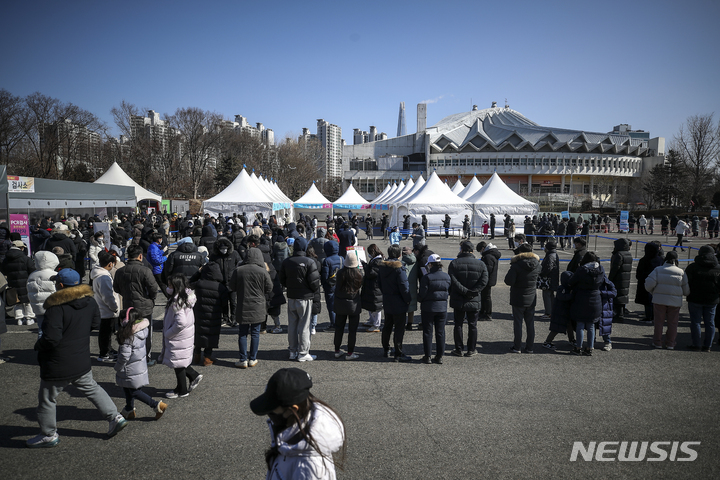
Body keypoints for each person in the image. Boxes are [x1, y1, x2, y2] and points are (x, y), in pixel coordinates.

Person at [26, 268, 128, 448]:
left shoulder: (56, 308)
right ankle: (115, 416)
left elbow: (51, 338)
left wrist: (38, 346)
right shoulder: (89, 301)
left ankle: (48, 434)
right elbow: (95, 324)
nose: (55, 284)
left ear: (61, 285)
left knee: (47, 398)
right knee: (92, 388)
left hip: (58, 362)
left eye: (56, 281)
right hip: (80, 358)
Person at [250, 368, 346, 479]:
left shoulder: (310, 468)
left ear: (293, 410)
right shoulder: (292, 439)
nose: (269, 415)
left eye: (272, 410)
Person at [115, 307, 167, 420]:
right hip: (138, 367)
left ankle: (156, 405)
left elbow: (124, 356)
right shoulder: (141, 331)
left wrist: (117, 366)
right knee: (127, 387)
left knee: (134, 391)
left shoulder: (128, 336)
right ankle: (129, 409)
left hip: (129, 369)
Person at [114, 245, 158, 365]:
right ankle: (146, 358)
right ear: (140, 256)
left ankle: (126, 355)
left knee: (128, 331)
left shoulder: (120, 271)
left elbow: (116, 288)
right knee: (145, 333)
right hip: (144, 307)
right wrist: (150, 298)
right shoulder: (145, 271)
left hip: (128, 305)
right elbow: (154, 288)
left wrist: (125, 293)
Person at [159, 274, 202, 398]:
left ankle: (182, 390)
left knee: (178, 364)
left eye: (170, 285)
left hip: (178, 338)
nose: (168, 287)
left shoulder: (176, 301)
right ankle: (188, 380)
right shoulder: (187, 296)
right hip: (185, 336)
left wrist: (168, 333)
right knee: (180, 362)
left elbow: (181, 322)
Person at [279, 237, 321, 362]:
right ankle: (303, 353)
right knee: (304, 326)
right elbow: (314, 283)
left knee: (292, 325)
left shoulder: (287, 262)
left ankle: (292, 351)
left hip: (292, 296)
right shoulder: (309, 262)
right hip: (305, 297)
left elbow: (282, 280)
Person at [231, 248, 273, 368]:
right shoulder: (263, 271)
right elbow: (269, 288)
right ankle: (252, 359)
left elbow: (232, 287)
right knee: (255, 333)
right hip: (258, 306)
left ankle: (243, 359)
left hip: (242, 304)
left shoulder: (239, 270)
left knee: (242, 333)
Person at [449, 240, 488, 356]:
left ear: (461, 250)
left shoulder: (454, 263)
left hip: (458, 297)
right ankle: (471, 349)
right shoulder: (481, 264)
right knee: (473, 325)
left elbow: (453, 280)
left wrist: (464, 291)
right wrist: (473, 291)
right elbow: (484, 281)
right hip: (474, 297)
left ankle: (459, 349)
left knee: (458, 324)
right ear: (473, 251)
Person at [645, 251, 689, 350]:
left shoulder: (658, 270)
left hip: (659, 300)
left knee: (658, 322)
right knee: (673, 323)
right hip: (675, 301)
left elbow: (648, 285)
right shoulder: (681, 272)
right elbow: (686, 291)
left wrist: (654, 292)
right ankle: (670, 343)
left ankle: (657, 342)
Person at [504, 243, 541, 353]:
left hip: (518, 296)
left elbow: (508, 281)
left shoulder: (516, 265)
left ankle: (517, 346)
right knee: (530, 323)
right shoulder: (538, 265)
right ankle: (530, 347)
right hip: (531, 296)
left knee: (518, 323)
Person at [190, 262, 229, 366]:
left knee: (198, 333)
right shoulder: (221, 287)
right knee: (211, 335)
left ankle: (196, 355)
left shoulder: (198, 284)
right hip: (214, 315)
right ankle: (207, 357)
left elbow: (188, 283)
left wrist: (198, 273)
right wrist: (226, 315)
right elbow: (225, 303)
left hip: (198, 313)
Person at [378, 244, 412, 362]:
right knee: (399, 328)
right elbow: (404, 286)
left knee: (387, 325)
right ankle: (398, 352)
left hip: (387, 299)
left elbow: (379, 283)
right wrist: (408, 299)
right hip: (398, 301)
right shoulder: (399, 268)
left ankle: (386, 348)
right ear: (399, 255)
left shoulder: (382, 267)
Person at [684, 245, 720, 351]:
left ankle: (696, 344)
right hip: (712, 299)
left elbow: (686, 282)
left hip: (695, 298)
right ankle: (708, 345)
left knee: (695, 322)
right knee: (710, 322)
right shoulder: (718, 268)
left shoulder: (693, 267)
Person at [568, 252, 605, 356]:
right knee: (591, 325)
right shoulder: (601, 269)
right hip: (596, 298)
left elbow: (571, 281)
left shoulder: (581, 270)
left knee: (580, 324)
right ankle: (590, 347)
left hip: (582, 298)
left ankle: (578, 347)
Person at [418, 254, 451, 364]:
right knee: (440, 332)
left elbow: (422, 294)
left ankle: (427, 356)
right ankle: (439, 356)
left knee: (428, 332)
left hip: (428, 308)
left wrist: (419, 299)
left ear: (430, 264)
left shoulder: (427, 277)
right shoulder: (447, 276)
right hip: (442, 308)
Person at [333, 249, 364, 360]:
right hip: (354, 304)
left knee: (339, 328)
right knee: (352, 330)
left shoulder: (340, 273)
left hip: (340, 303)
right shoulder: (359, 274)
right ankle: (350, 353)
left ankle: (337, 350)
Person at [91, 251, 121, 362]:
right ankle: (104, 353)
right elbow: (107, 295)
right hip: (106, 310)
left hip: (103, 308)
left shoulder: (98, 274)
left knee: (106, 333)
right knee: (105, 333)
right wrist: (114, 307)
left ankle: (108, 349)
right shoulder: (103, 277)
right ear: (110, 264)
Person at [209, 236, 241, 326]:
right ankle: (225, 318)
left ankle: (234, 318)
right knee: (223, 302)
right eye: (222, 249)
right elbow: (211, 267)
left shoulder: (234, 254)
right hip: (220, 283)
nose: (224, 250)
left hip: (232, 282)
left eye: (225, 249)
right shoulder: (214, 256)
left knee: (233, 301)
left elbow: (239, 264)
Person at [2, 240, 35, 325]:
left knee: (17, 302)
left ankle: (19, 319)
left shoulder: (6, 259)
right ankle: (29, 318)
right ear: (20, 248)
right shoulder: (25, 258)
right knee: (27, 302)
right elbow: (32, 269)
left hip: (12, 282)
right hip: (25, 282)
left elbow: (3, 270)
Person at [27, 251, 60, 335]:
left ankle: (40, 347)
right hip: (53, 307)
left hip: (37, 307)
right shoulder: (55, 275)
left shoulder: (32, 275)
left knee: (41, 330)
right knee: (54, 330)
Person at [542, 271, 576, 350]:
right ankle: (547, 342)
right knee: (556, 328)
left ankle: (572, 339)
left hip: (566, 312)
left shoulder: (569, 288)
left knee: (569, 326)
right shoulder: (562, 288)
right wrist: (571, 295)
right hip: (559, 312)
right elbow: (562, 297)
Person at [635, 241, 664, 324]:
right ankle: (654, 316)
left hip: (645, 282)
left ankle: (649, 317)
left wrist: (640, 278)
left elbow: (639, 273)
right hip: (658, 283)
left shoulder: (644, 260)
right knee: (655, 300)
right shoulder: (660, 259)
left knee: (647, 301)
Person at [360, 244, 384, 333]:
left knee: (376, 307)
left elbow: (371, 273)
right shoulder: (376, 260)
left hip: (375, 287)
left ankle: (376, 324)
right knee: (371, 304)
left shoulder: (378, 261)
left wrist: (365, 265)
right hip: (371, 286)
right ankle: (371, 321)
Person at [608, 238, 632, 323]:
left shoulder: (619, 255)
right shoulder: (628, 254)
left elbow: (615, 268)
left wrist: (609, 279)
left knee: (617, 296)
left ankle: (618, 315)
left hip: (618, 278)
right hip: (625, 278)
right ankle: (621, 314)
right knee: (622, 296)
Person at [321, 241, 342, 333]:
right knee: (340, 305)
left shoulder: (327, 260)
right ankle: (340, 322)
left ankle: (333, 324)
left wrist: (324, 284)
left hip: (330, 285)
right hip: (341, 285)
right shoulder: (342, 258)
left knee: (331, 305)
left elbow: (325, 276)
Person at [478, 242, 501, 321]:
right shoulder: (491, 254)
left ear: (483, 248)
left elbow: (488, 269)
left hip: (487, 279)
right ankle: (483, 311)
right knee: (485, 296)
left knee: (486, 297)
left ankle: (487, 313)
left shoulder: (488, 256)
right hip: (490, 279)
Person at [538, 241, 559, 320]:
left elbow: (548, 268)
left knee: (547, 296)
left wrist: (542, 274)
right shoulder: (554, 254)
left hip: (548, 279)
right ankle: (551, 312)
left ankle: (548, 313)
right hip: (553, 279)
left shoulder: (550, 256)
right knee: (551, 296)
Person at [402, 246, 419, 330]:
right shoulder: (416, 262)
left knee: (402, 306)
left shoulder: (402, 262)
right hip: (413, 286)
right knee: (411, 307)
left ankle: (402, 323)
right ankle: (410, 324)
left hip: (404, 287)